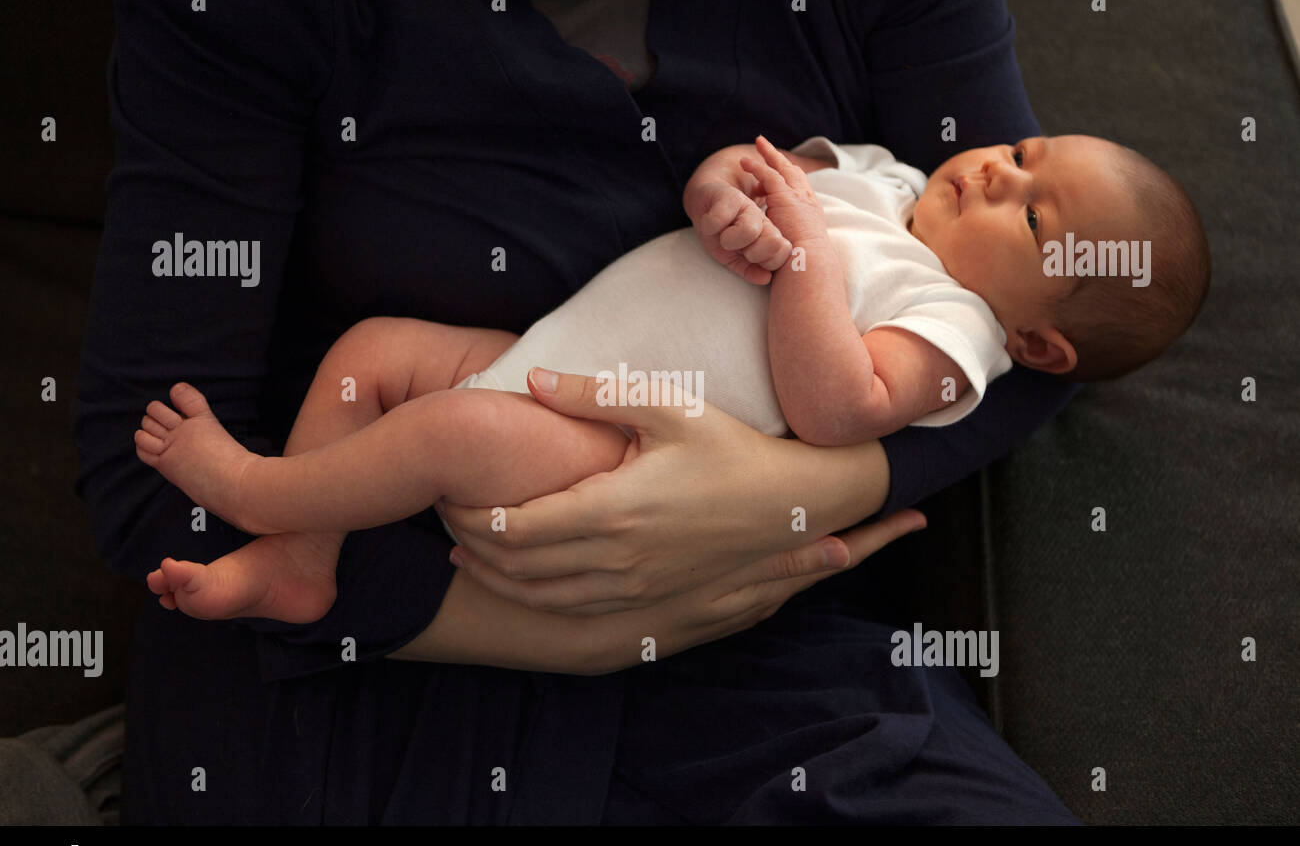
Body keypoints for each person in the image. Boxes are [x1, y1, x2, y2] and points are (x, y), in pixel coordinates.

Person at [75, 0, 1085, 823]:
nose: (997, 178)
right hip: (364, 636)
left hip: (751, 627)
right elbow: (148, 468)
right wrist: (576, 628)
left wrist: (784, 492)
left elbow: (1048, 311)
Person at [130, 131, 1208, 627]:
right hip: (544, 356)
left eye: (1029, 212)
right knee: (374, 348)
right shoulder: (883, 176)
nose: (992, 171)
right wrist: (721, 194)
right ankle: (302, 560)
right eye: (1022, 150)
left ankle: (256, 491)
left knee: (451, 433)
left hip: (616, 448)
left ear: (1042, 345)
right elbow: (746, 168)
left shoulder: (954, 331)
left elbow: (836, 407)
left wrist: (804, 265)